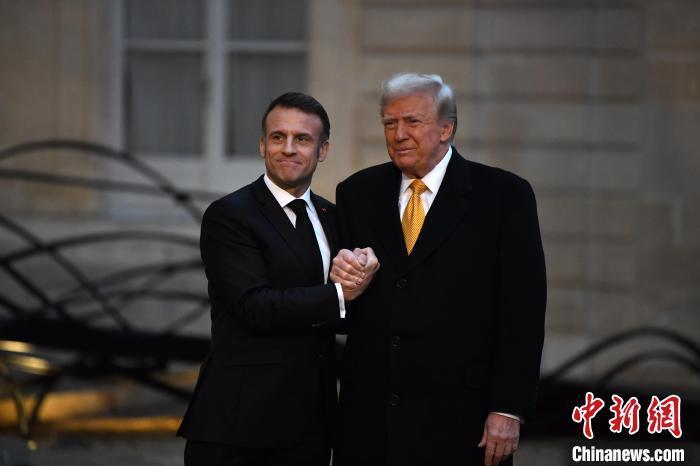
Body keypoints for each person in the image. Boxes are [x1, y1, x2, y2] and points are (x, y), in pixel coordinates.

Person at [329, 73, 547, 466]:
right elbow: (344, 308)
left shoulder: (503, 196)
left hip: (462, 422)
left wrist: (508, 408)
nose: (398, 134)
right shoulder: (356, 193)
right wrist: (342, 286)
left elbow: (523, 312)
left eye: (412, 121)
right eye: (389, 123)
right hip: (370, 422)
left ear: (447, 128)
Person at [177, 92, 378, 466]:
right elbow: (254, 306)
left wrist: (363, 274)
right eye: (277, 137)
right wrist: (341, 294)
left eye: (302, 139)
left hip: (311, 427)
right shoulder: (229, 215)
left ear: (322, 150)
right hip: (239, 427)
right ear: (262, 145)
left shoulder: (332, 217)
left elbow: (343, 315)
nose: (288, 148)